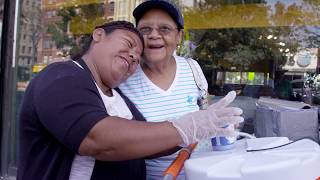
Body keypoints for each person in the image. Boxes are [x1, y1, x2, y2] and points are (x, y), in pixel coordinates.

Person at [18, 21, 242, 180]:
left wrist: (203, 127)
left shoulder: (118, 97)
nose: (135, 55)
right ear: (98, 35)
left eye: (138, 56)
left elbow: (146, 144)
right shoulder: (62, 76)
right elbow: (97, 139)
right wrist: (185, 128)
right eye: (129, 43)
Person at [119, 1, 243, 179]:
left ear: (179, 37)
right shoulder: (123, 77)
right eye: (145, 29)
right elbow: (120, 143)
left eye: (164, 29)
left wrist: (219, 123)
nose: (154, 35)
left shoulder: (192, 69)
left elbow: (204, 111)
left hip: (201, 173)